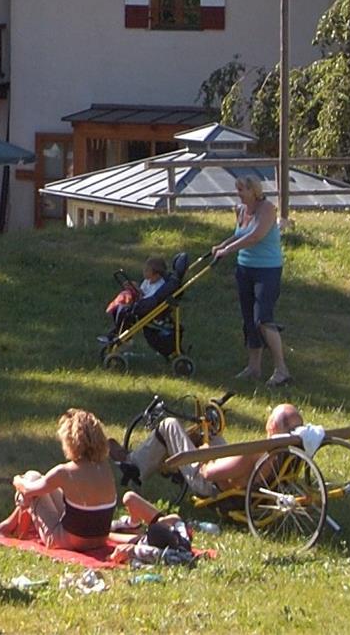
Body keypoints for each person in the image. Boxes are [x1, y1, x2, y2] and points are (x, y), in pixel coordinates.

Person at [0, 408, 155, 550]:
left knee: (31, 479)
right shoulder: (104, 467)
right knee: (37, 482)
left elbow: (27, 491)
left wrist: (17, 479)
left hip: (69, 541)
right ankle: (6, 527)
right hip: (99, 539)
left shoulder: (65, 472)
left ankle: (10, 531)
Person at [127, 403, 305, 497]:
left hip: (210, 485)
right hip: (245, 478)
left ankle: (133, 467)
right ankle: (144, 458)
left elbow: (208, 473)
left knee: (169, 425)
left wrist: (205, 452)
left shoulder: (254, 451)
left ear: (271, 425)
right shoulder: (287, 450)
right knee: (210, 434)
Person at [214, 174, 290, 385]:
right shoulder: (240, 210)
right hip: (245, 268)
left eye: (241, 190)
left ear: (253, 191)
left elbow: (256, 235)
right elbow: (240, 235)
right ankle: (253, 367)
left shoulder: (267, 208)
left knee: (262, 319)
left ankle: (282, 370)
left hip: (267, 270)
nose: (237, 194)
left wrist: (228, 250)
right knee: (249, 321)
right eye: (237, 189)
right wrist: (222, 245)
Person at [103, 256, 172, 343]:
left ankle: (122, 334)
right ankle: (117, 330)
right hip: (140, 303)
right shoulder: (147, 281)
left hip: (146, 308)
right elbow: (142, 292)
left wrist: (138, 291)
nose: (144, 272)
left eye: (147, 271)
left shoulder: (159, 286)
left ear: (156, 274)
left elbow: (150, 299)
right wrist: (134, 287)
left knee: (124, 312)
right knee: (118, 308)